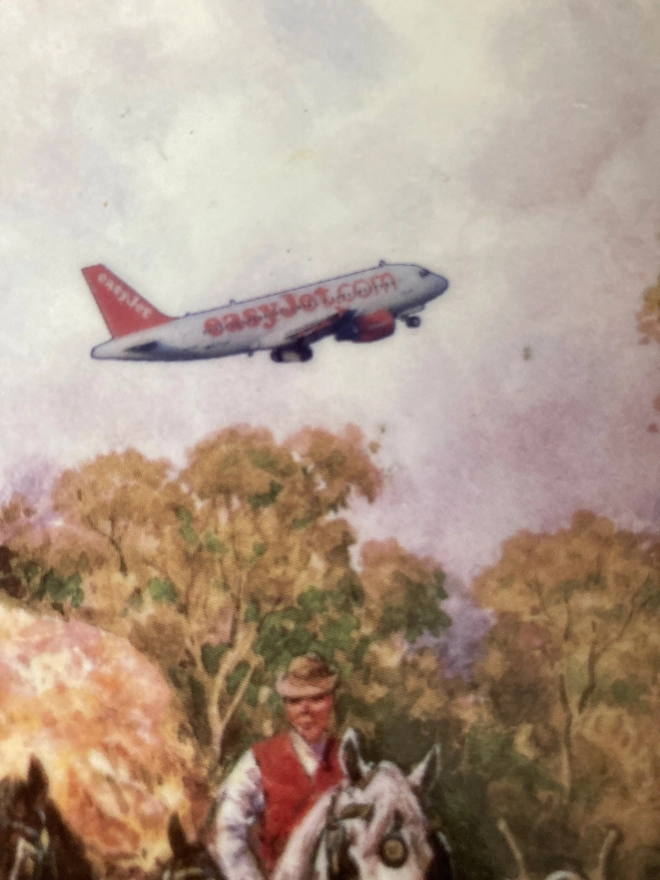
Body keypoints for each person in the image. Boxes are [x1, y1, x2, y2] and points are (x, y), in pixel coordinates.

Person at [209, 654, 344, 880]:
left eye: (316, 698)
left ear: (331, 700)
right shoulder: (258, 760)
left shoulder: (349, 759)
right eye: (294, 701)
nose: (305, 709)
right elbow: (227, 829)